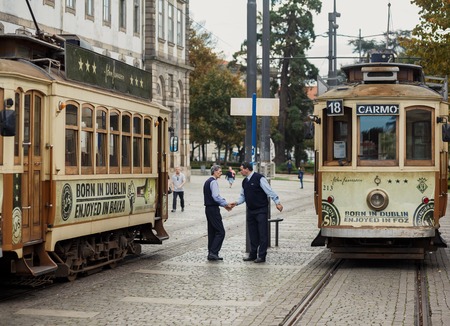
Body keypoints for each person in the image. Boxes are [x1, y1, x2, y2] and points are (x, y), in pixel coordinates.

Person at [232, 162, 283, 263]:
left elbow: (269, 191)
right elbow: (243, 196)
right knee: (252, 233)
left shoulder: (259, 178)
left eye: (241, 169)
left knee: (262, 233)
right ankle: (252, 254)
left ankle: (262, 256)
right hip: (250, 211)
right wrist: (236, 203)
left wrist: (277, 202)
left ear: (247, 169)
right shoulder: (244, 181)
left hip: (261, 210)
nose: (240, 171)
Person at [203, 165, 232, 261]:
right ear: (214, 172)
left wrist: (224, 205)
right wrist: (225, 204)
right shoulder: (213, 182)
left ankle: (211, 253)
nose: (221, 173)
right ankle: (213, 252)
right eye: (219, 171)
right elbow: (215, 196)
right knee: (220, 232)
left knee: (212, 232)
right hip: (213, 209)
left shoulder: (207, 182)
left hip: (208, 209)